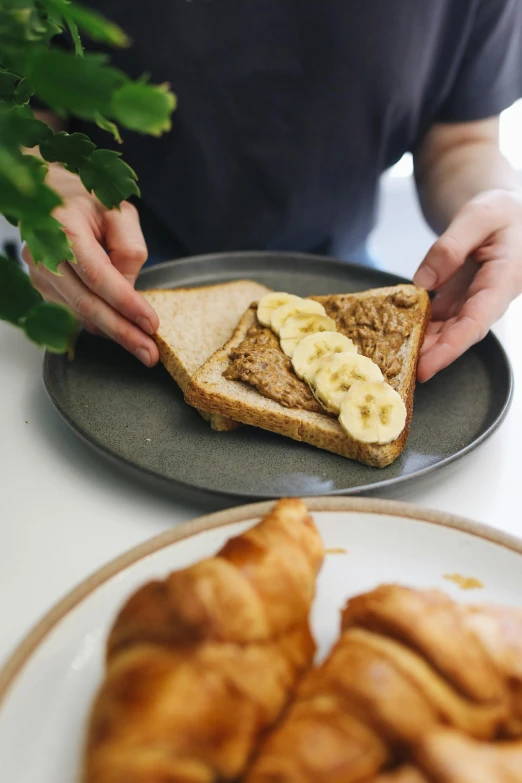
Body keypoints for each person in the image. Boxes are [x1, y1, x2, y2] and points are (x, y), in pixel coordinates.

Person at [25, 1, 522, 381]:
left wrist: (500, 203)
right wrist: (54, 185)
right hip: (99, 283)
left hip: (348, 280)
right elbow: (26, 111)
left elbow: (460, 141)